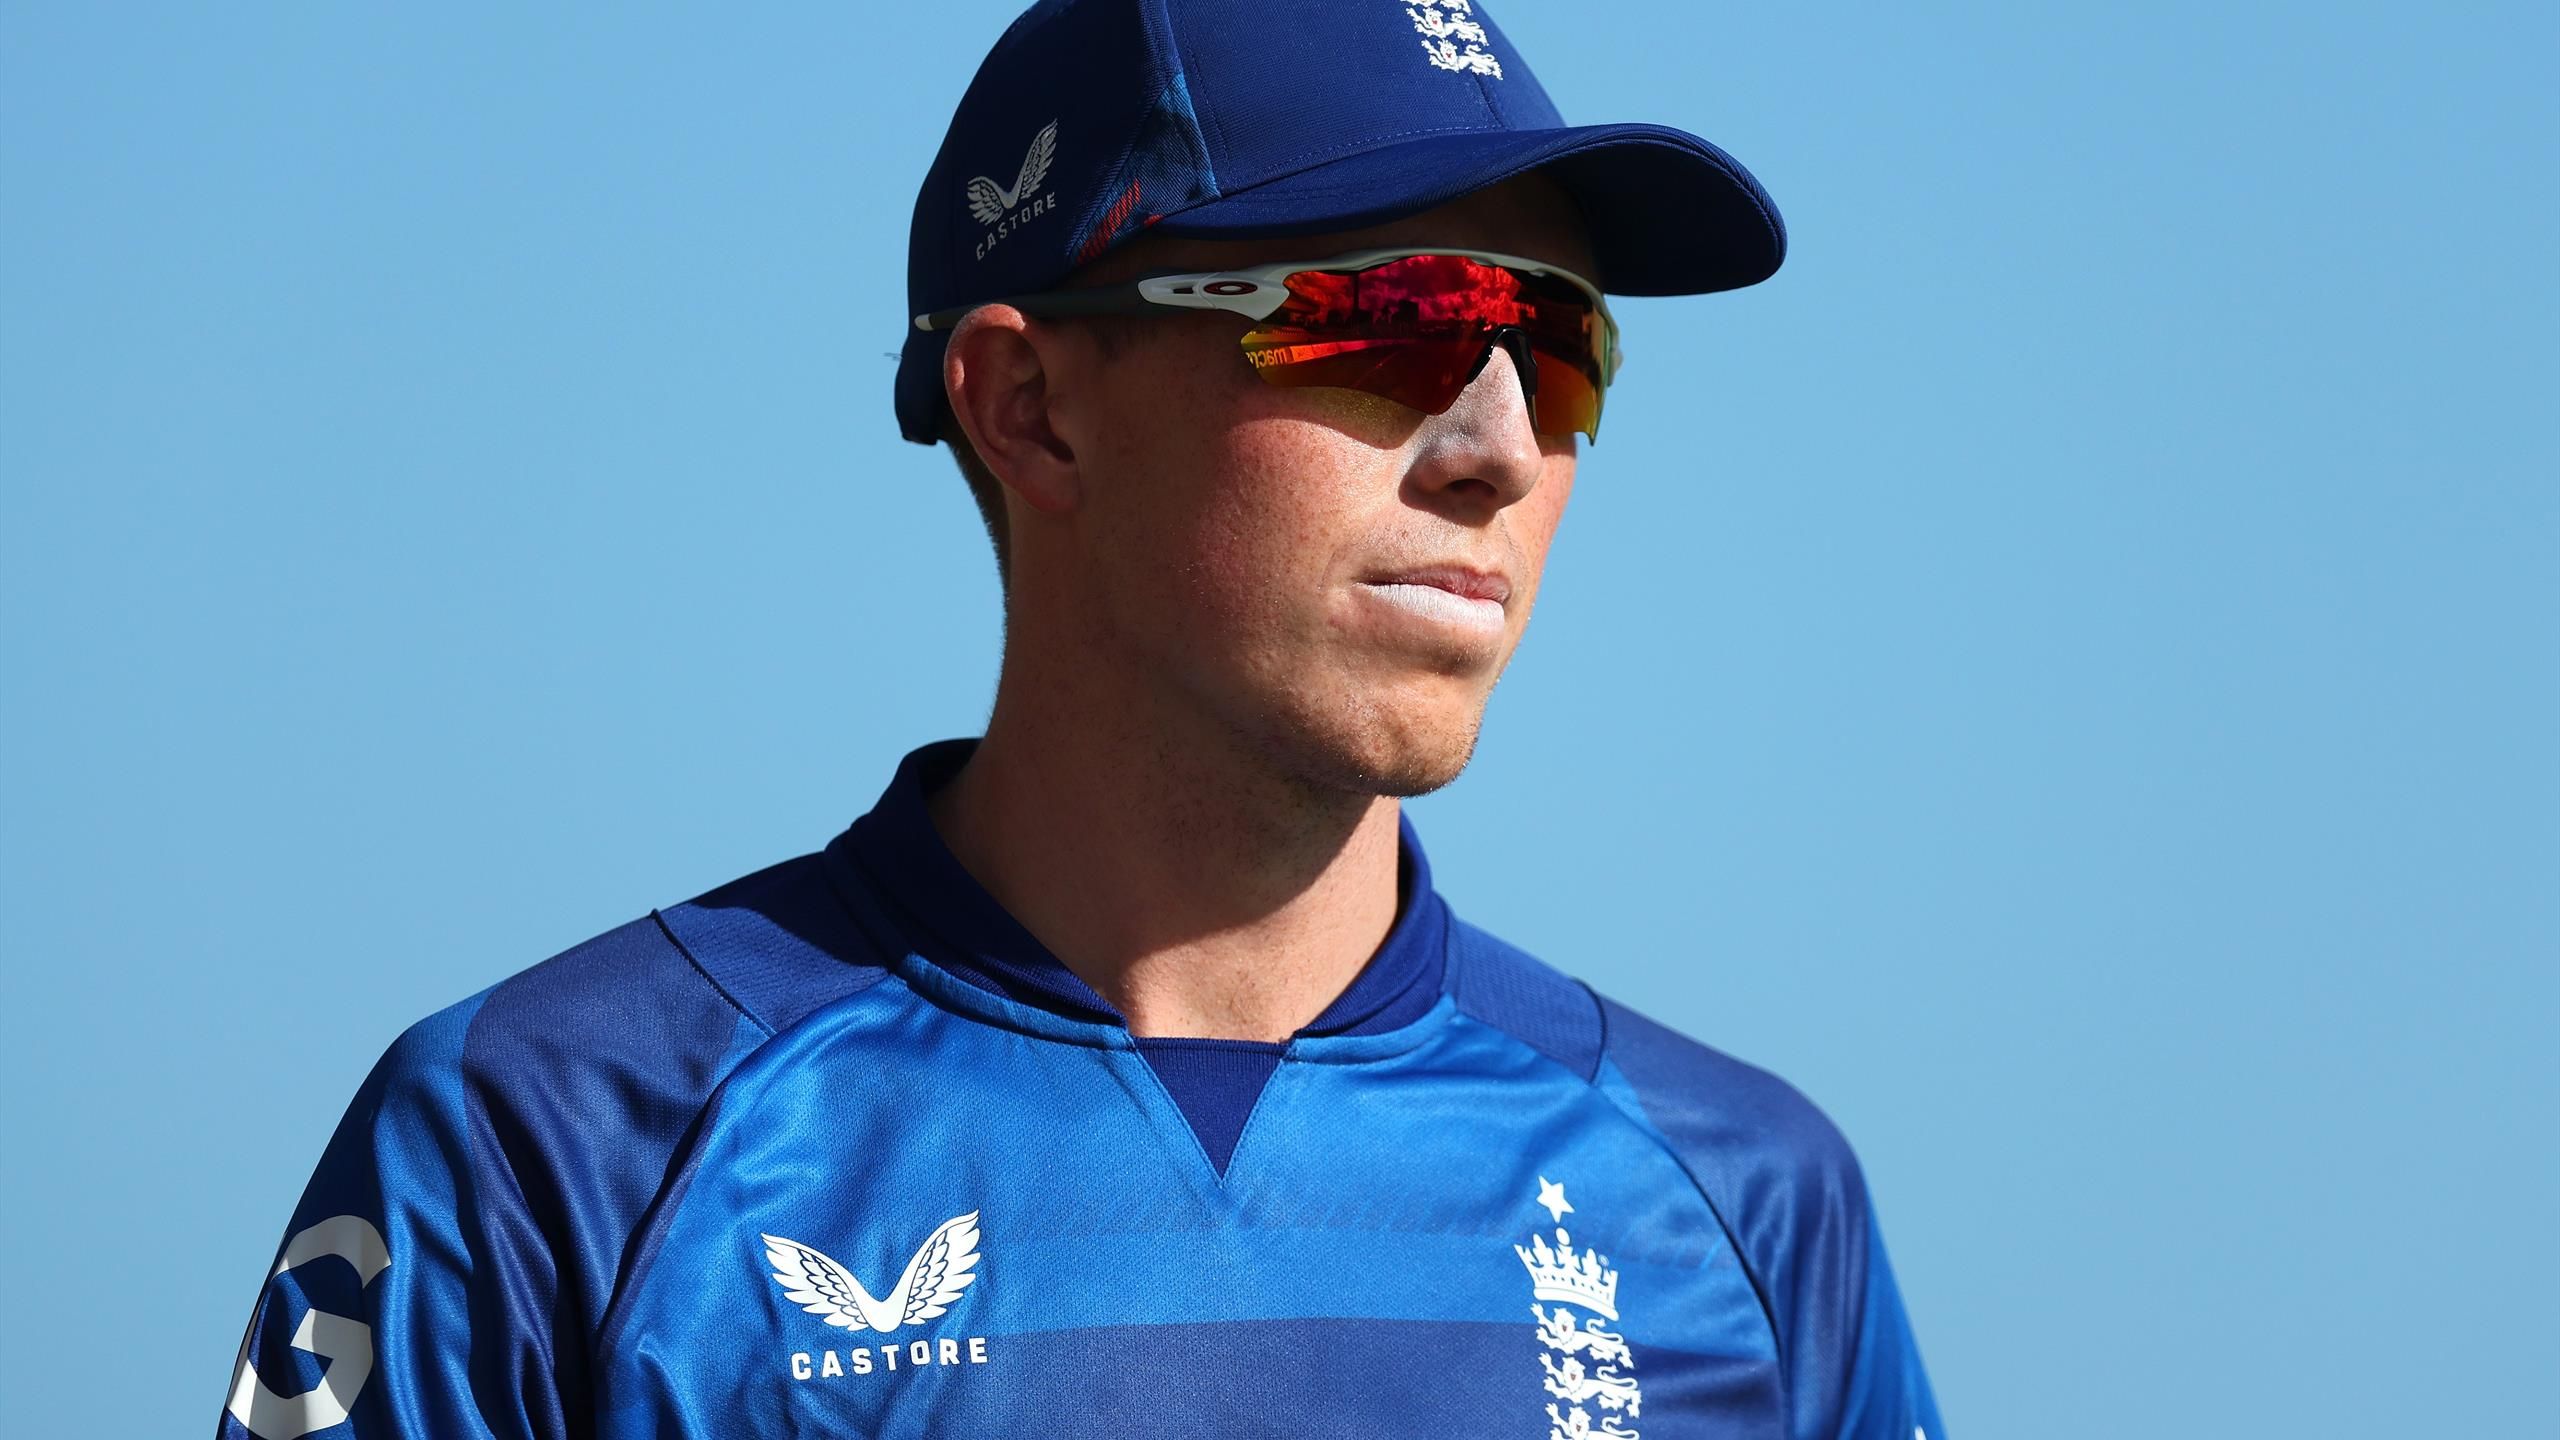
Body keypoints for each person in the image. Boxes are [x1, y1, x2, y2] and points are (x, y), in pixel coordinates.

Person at [218, 2, 1945, 1437]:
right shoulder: (546, 1142)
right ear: (1032, 409)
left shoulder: (1751, 1202)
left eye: (1557, 347)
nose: (1501, 450)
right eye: (1389, 322)